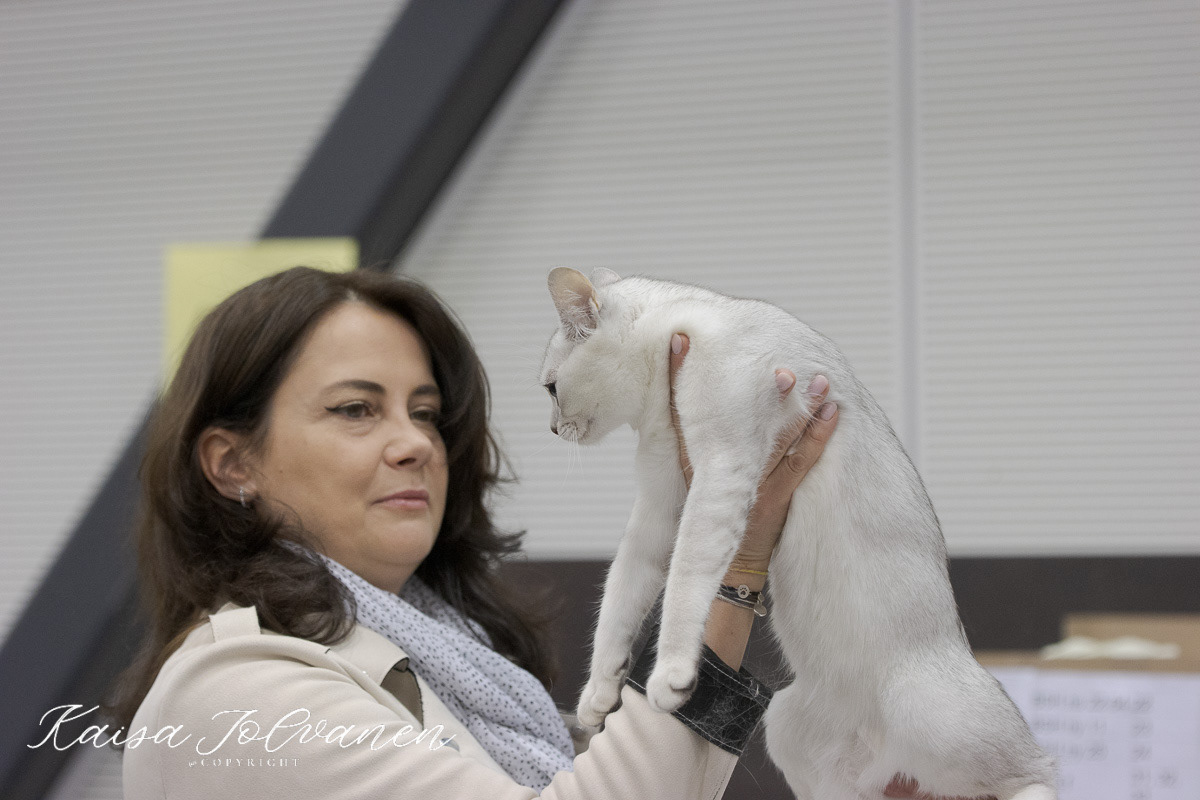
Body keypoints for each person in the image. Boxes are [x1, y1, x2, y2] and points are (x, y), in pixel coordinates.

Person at [106, 266, 840, 799]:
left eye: (425, 413)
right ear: (232, 464)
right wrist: (726, 561)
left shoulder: (459, 659)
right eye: (356, 409)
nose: (415, 443)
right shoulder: (235, 693)